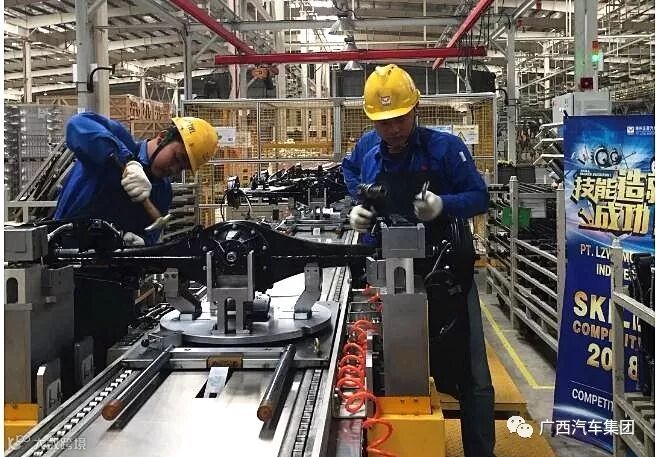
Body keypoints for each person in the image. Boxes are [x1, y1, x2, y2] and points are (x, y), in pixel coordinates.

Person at [348, 64, 495, 457]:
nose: (394, 129)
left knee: (472, 374)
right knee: (393, 370)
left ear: (416, 109)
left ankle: (481, 451)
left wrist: (443, 204)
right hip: (393, 281)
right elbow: (363, 194)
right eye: (384, 122)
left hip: (448, 276)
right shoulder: (369, 154)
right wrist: (360, 215)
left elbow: (479, 197)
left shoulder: (446, 148)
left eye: (400, 118)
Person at [54, 112, 218, 245]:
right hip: (63, 248)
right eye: (176, 158)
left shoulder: (163, 192)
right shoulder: (118, 139)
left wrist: (143, 242)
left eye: (182, 168)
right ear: (162, 138)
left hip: (110, 267)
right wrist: (128, 162)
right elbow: (77, 125)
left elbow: (152, 234)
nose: (174, 169)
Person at [342, 129, 380, 199]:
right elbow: (350, 168)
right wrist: (359, 192)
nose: (395, 129)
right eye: (385, 124)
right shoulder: (368, 142)